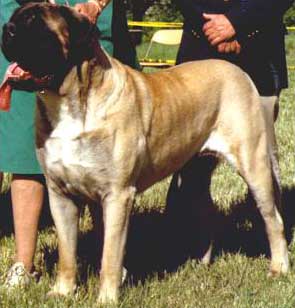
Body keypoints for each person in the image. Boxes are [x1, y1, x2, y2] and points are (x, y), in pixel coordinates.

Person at [0, 0, 138, 287]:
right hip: (25, 15)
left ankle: (109, 265)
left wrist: (95, 4)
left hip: (84, 21)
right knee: (25, 153)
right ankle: (23, 265)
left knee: (103, 152)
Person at [166, 0, 294, 263]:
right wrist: (211, 26)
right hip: (198, 50)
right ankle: (195, 247)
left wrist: (237, 23)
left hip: (259, 49)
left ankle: (270, 243)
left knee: (262, 157)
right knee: (189, 163)